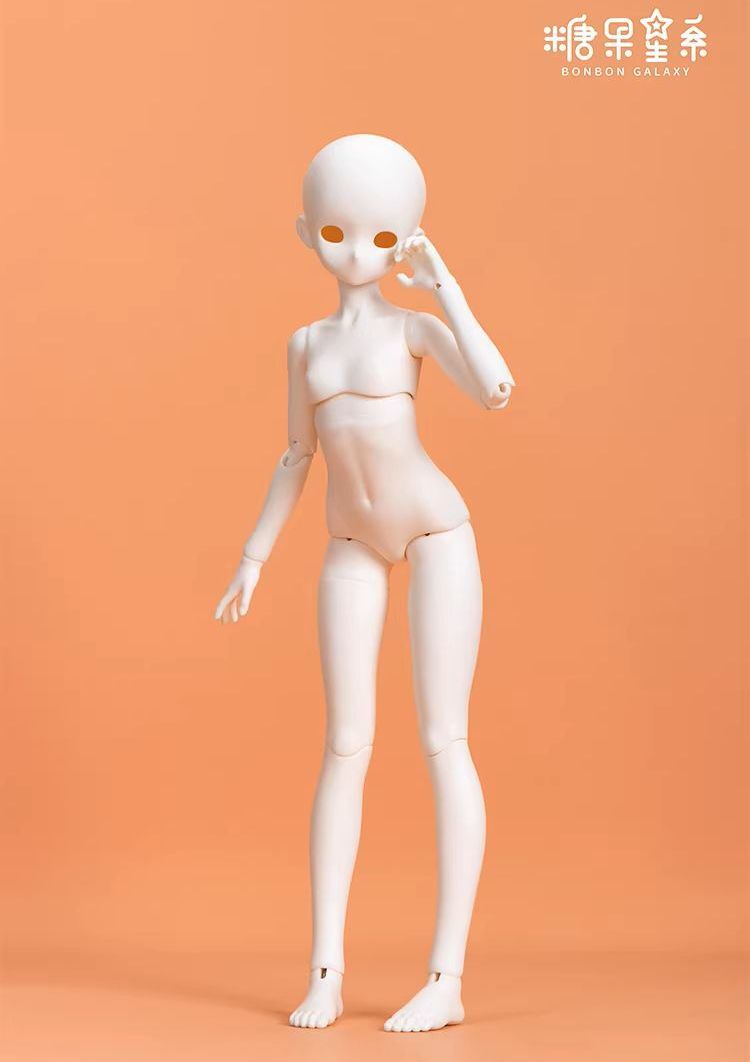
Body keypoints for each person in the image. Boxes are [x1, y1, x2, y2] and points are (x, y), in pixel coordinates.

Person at [214, 133, 516, 1032]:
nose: (357, 253)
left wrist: (445, 288)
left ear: (408, 238)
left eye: (383, 238)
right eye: (337, 231)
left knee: (443, 738)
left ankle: (446, 979)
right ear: (306, 231)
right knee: (345, 743)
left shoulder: (413, 328)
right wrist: (254, 555)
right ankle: (326, 970)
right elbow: (296, 454)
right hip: (349, 541)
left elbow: (496, 389)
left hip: (435, 532)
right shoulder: (306, 344)